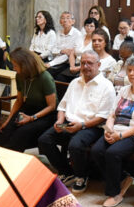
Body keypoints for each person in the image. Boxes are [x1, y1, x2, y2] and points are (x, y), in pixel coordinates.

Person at [36, 51, 115, 189]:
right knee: (44, 140)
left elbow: (103, 116)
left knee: (75, 145)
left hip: (92, 126)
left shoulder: (106, 86)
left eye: (90, 63)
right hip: (69, 122)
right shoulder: (74, 82)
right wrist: (60, 120)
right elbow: (62, 106)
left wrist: (82, 125)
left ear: (99, 65)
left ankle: (81, 175)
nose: (85, 66)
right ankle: (66, 171)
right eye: (83, 63)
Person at [93, 56, 134, 207]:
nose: (131, 74)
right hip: (117, 131)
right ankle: (123, 178)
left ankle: (115, 193)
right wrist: (108, 129)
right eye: (129, 70)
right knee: (96, 150)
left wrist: (121, 135)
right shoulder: (124, 90)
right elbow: (112, 114)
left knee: (112, 153)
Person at [0, 48, 57, 153]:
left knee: (20, 133)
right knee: (5, 131)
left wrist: (32, 118)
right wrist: (8, 120)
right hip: (27, 110)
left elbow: (51, 106)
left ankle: (9, 161)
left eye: (15, 65)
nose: (13, 68)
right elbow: (19, 101)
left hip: (44, 115)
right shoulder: (20, 76)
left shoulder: (45, 78)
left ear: (25, 65)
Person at [47, 10, 84, 78]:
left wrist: (51, 63)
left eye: (68, 18)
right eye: (63, 18)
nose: (65, 20)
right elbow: (53, 50)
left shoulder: (77, 34)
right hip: (58, 61)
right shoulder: (58, 33)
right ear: (60, 22)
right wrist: (62, 51)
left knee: (57, 77)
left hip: (71, 63)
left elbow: (72, 53)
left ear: (73, 21)